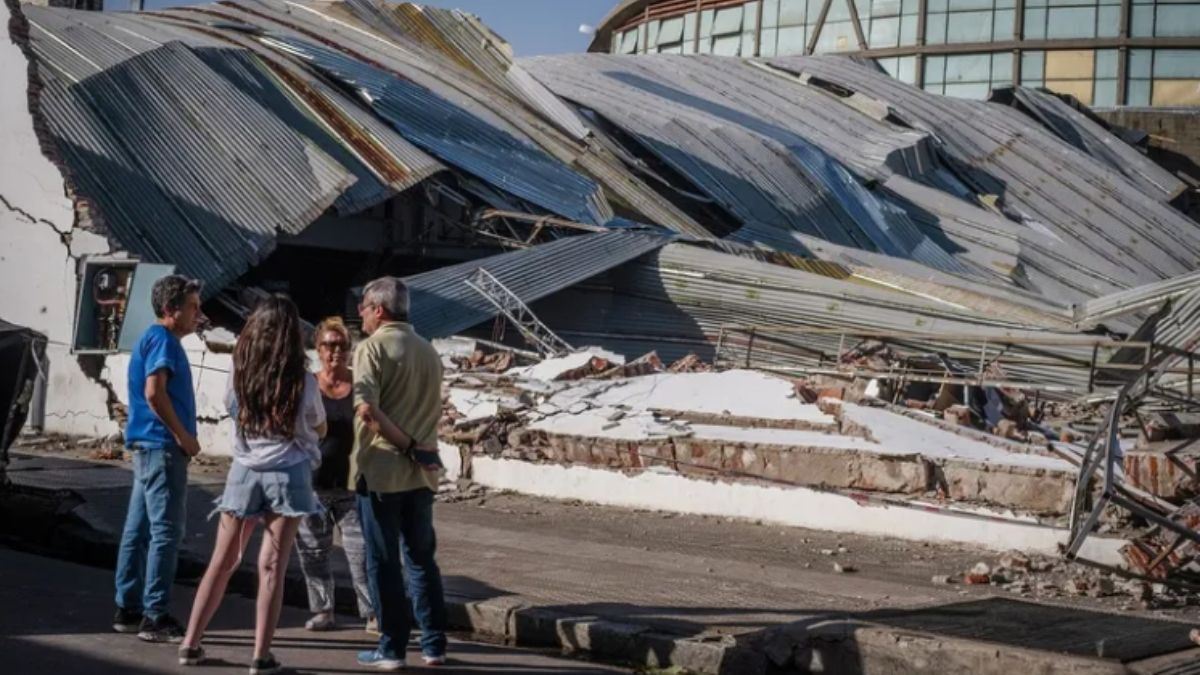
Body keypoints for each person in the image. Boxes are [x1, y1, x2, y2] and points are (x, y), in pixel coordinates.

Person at [177, 295, 325, 675]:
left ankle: (190, 643)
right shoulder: (303, 380)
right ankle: (261, 656)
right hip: (288, 474)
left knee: (222, 561)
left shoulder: (238, 371)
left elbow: (229, 407)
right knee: (272, 565)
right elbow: (317, 424)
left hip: (243, 472)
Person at [353, 277, 448, 671]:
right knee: (422, 559)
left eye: (362, 305)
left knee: (383, 560)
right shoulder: (429, 351)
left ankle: (391, 647)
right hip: (423, 473)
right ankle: (434, 644)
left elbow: (367, 410)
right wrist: (417, 449)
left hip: (381, 470)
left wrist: (404, 445)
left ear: (379, 309)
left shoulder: (371, 348)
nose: (359, 313)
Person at [114, 274, 204, 643]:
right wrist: (183, 436)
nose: (198, 314)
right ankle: (155, 615)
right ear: (171, 310)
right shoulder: (164, 341)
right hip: (162, 447)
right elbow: (155, 393)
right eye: (193, 307)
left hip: (147, 447)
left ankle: (128, 608)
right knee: (165, 532)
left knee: (138, 530)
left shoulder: (151, 339)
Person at [294, 317, 376, 633]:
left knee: (360, 554)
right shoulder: (308, 384)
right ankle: (323, 611)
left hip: (352, 487)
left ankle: (372, 613)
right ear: (318, 348)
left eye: (341, 345)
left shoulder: (360, 386)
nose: (335, 352)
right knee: (314, 554)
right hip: (312, 486)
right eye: (329, 345)